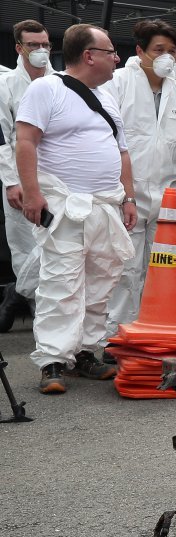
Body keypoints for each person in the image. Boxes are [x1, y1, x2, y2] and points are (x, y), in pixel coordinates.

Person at [14, 23, 137, 394]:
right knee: (61, 282)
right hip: (66, 203)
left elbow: (122, 152)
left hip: (104, 204)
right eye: (111, 51)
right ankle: (52, 359)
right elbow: (25, 142)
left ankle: (85, 352)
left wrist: (128, 199)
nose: (117, 58)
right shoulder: (45, 89)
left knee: (102, 281)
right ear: (89, 56)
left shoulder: (108, 97)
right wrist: (33, 194)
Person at [100, 19, 176, 341]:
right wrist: (123, 193)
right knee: (125, 269)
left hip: (165, 195)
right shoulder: (117, 83)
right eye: (159, 50)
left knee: (163, 268)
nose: (167, 56)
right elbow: (105, 139)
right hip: (125, 192)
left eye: (172, 51)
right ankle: (116, 338)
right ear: (140, 51)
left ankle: (153, 334)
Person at [0, 20, 55, 333]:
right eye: (33, 45)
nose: (41, 51)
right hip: (20, 176)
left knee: (53, 242)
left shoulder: (59, 81)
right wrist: (11, 181)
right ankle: (41, 319)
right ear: (19, 48)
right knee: (24, 245)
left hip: (55, 176)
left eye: (45, 44)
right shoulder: (6, 85)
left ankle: (16, 290)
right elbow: (2, 138)